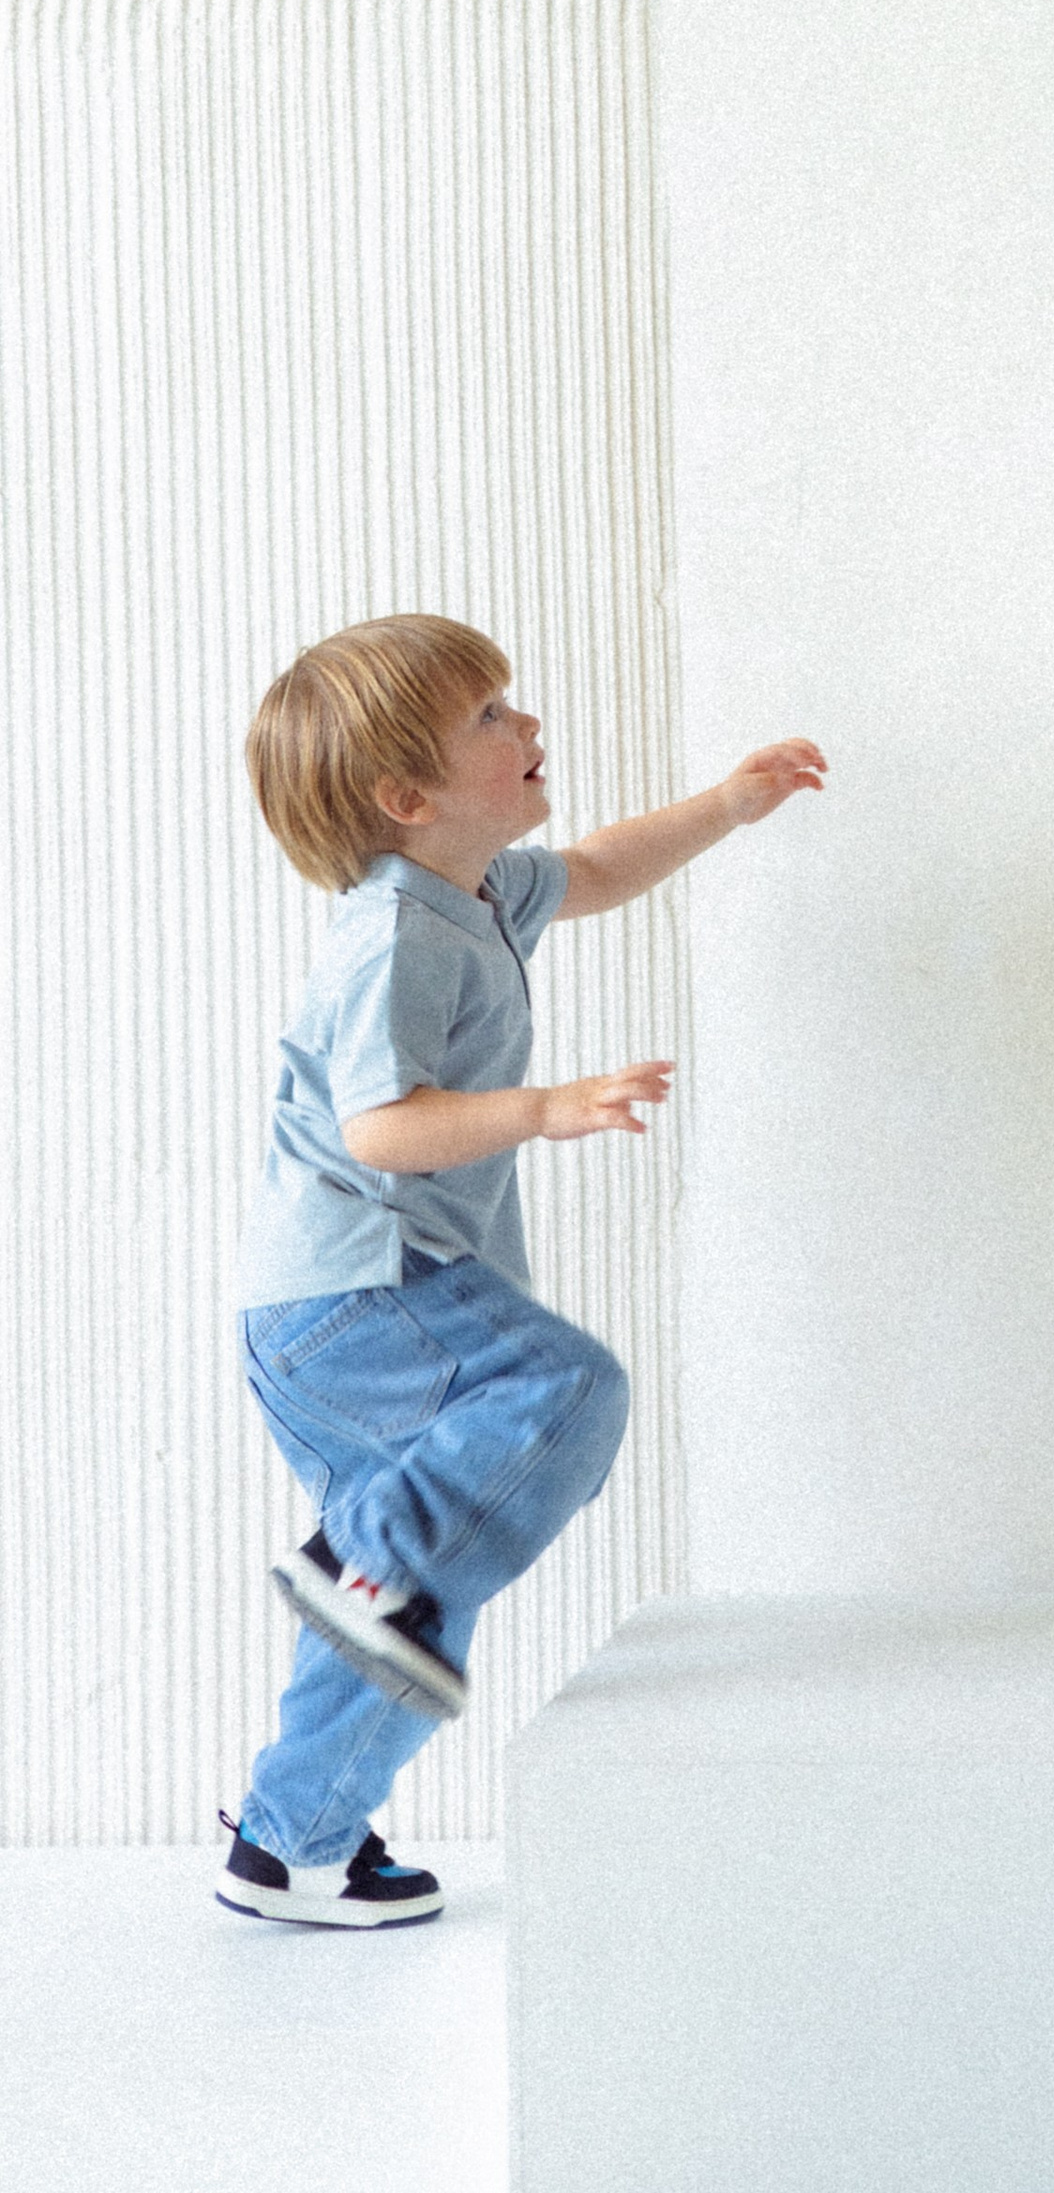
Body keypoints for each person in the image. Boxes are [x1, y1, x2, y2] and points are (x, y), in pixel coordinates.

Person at [217, 612, 825, 1925]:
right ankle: (364, 1559)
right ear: (407, 795)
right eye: (493, 715)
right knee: (563, 1389)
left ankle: (293, 1841)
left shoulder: (480, 889)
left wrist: (728, 802)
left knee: (400, 1609)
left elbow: (600, 866)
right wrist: (545, 1109)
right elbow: (378, 1128)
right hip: (358, 1290)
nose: (530, 723)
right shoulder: (395, 936)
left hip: (318, 1311)